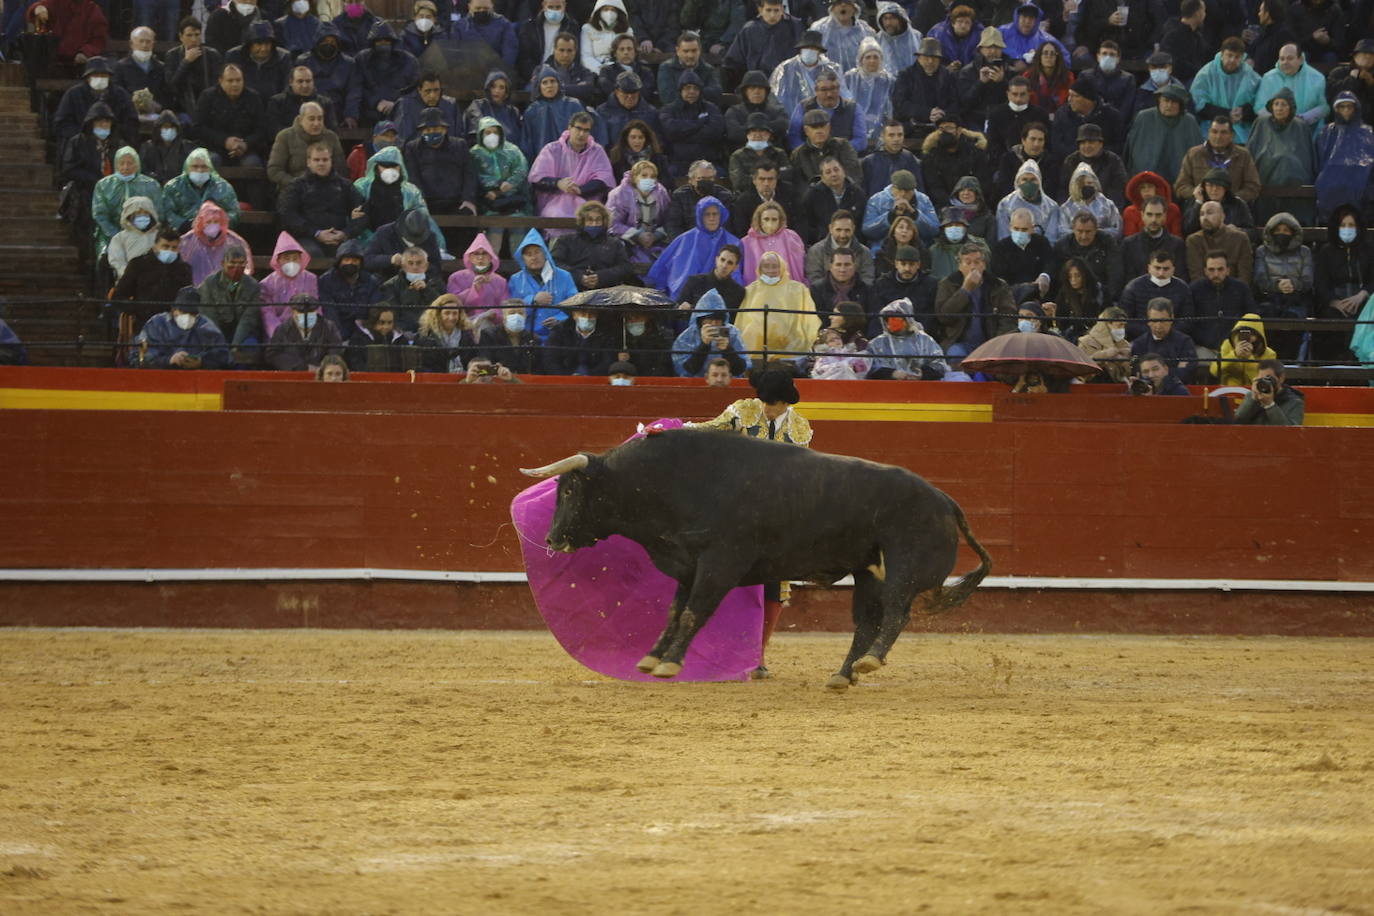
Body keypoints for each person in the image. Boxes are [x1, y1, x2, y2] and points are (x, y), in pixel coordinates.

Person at [688, 363, 811, 677]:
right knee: (719, 579)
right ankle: (712, 652)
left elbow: (801, 476)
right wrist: (675, 428)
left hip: (775, 519)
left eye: (774, 404)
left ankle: (757, 656)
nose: (768, 409)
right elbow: (707, 430)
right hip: (734, 515)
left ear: (786, 402)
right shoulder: (743, 411)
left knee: (773, 586)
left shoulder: (800, 429)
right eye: (765, 402)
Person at [278, 142, 365, 258]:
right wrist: (316, 233)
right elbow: (288, 214)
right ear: (308, 162)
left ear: (331, 161)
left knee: (352, 254)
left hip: (340, 238)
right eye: (316, 160)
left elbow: (362, 212)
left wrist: (346, 233)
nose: (321, 163)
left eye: (325, 160)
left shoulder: (346, 186)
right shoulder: (296, 186)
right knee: (313, 253)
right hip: (307, 238)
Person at [528, 112, 613, 230]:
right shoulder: (552, 149)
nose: (582, 134)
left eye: (586, 130)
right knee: (557, 216)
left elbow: (604, 179)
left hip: (586, 201)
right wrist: (558, 183)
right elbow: (536, 179)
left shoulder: (597, 151)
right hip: (554, 201)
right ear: (569, 127)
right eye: (578, 128)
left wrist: (581, 190)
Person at [647, 196, 742, 300]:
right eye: (707, 214)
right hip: (685, 297)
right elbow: (662, 266)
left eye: (715, 214)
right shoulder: (684, 239)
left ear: (721, 216)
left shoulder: (733, 242)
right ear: (700, 216)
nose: (712, 218)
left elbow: (736, 277)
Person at [1313, 205, 1374, 363]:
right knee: (1330, 321)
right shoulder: (1326, 251)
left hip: (1364, 302)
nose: (1347, 229)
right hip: (1335, 303)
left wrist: (1362, 295)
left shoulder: (1369, 250)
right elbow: (1320, 282)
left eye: (1351, 225)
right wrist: (1334, 302)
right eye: (1343, 225)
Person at [735, 251, 821, 362]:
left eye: (775, 266)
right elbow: (742, 321)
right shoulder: (751, 290)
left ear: (782, 268)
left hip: (790, 348)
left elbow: (808, 320)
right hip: (756, 350)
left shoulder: (799, 289)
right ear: (760, 269)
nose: (770, 271)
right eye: (766, 267)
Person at [1247, 88, 1316, 224]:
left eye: (1284, 104)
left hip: (1296, 189)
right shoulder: (1261, 123)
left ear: (1291, 107)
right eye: (1276, 104)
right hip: (1265, 186)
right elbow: (1251, 152)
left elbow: (1308, 160)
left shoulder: (1301, 126)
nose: (1279, 108)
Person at [935, 242, 1016, 357]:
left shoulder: (998, 285)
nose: (973, 267)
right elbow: (944, 317)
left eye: (977, 262)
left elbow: (1008, 318)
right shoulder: (948, 284)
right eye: (968, 263)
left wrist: (998, 343)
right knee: (955, 355)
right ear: (960, 266)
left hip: (990, 342)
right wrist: (965, 290)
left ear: (983, 265)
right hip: (959, 342)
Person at [1253, 212, 1314, 355]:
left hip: (1296, 299)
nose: (1282, 233)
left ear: (1293, 233)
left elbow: (1307, 280)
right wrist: (1277, 285)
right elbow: (1260, 279)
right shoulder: (1262, 251)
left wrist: (1293, 284)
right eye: (1278, 230)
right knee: (1267, 317)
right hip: (1269, 299)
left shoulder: (1304, 252)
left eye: (1286, 230)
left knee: (1293, 320)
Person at [131, 286, 231, 369]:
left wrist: (202, 362)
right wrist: (168, 360)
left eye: (192, 313)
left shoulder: (207, 327)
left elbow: (224, 357)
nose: (188, 316)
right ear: (174, 310)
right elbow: (138, 357)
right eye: (183, 312)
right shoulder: (156, 325)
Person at [113, 226, 194, 328]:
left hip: (175, 325)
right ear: (155, 247)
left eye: (174, 248)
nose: (170, 250)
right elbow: (118, 296)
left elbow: (188, 298)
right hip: (144, 322)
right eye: (165, 246)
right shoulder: (138, 265)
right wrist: (138, 309)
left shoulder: (184, 269)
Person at [91, 146, 163, 261]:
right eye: (122, 163)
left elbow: (158, 213)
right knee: (104, 257)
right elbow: (100, 215)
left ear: (137, 164)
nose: (125, 167)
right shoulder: (103, 185)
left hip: (145, 232)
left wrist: (142, 233)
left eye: (130, 163)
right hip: (110, 234)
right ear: (116, 164)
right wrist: (117, 235)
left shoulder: (151, 185)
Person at [507, 228, 579, 342]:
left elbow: (575, 304)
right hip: (526, 336)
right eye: (528, 254)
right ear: (522, 258)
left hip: (559, 336)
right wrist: (533, 300)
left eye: (537, 252)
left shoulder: (564, 276)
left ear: (545, 253)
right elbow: (510, 310)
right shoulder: (515, 279)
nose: (534, 257)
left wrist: (559, 319)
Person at [192, 64, 270, 168]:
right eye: (230, 80)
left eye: (238, 80)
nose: (235, 84)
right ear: (220, 81)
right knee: (212, 160)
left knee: (252, 163)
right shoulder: (207, 96)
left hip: (246, 149)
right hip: (214, 148)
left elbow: (262, 129)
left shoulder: (253, 97)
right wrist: (224, 141)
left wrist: (245, 144)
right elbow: (198, 128)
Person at [1315, 92, 1374, 223]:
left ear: (1356, 108)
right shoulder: (1327, 132)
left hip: (1362, 189)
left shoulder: (1368, 133)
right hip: (1331, 190)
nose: (1346, 110)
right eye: (1342, 107)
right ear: (1336, 109)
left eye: (1349, 107)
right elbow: (1319, 162)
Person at [197, 243, 263, 358]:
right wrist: (220, 343)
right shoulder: (209, 283)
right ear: (223, 263)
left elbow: (248, 319)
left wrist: (235, 345)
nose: (236, 267)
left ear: (246, 264)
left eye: (241, 263)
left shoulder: (253, 286)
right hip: (216, 330)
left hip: (243, 333)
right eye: (232, 263)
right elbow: (209, 316)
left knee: (250, 346)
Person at [54, 58, 138, 147]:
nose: (100, 79)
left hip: (113, 145)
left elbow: (131, 122)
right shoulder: (73, 94)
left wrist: (113, 136)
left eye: (103, 75)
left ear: (109, 77)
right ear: (87, 78)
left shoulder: (121, 95)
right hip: (81, 146)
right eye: (95, 75)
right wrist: (84, 137)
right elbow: (62, 124)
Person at [1190, 39, 1262, 144]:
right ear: (1222, 54)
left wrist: (1244, 112)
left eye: (1237, 57)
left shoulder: (1250, 76)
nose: (1232, 60)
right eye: (1229, 55)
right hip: (1211, 130)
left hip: (1242, 133)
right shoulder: (1206, 74)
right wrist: (1227, 114)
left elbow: (1260, 102)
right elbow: (1199, 104)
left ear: (1242, 57)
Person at [660, 70, 728, 180]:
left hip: (707, 162)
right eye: (687, 88)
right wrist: (700, 123)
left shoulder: (711, 108)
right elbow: (671, 131)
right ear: (680, 90)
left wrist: (683, 135)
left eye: (695, 88)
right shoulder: (668, 110)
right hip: (678, 163)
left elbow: (715, 132)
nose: (691, 91)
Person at [891, 36, 960, 144]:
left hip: (941, 129)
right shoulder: (906, 75)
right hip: (912, 129)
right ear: (918, 57)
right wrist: (927, 113)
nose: (930, 61)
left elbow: (955, 103)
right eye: (926, 57)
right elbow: (900, 104)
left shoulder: (948, 76)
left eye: (934, 57)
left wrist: (942, 114)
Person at [267, 101, 346, 193]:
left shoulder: (331, 137)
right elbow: (274, 170)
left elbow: (341, 170)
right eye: (311, 119)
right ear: (301, 120)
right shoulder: (285, 137)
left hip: (326, 191)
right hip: (293, 191)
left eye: (320, 119)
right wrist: (297, 185)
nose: (316, 123)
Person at [789, 65, 869, 153]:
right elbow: (794, 137)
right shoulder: (803, 107)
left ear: (839, 89)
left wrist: (837, 151)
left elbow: (861, 140)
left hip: (842, 157)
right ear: (816, 91)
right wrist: (813, 153)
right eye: (824, 90)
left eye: (833, 89)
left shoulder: (853, 108)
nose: (829, 94)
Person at [862, 297, 948, 380]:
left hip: (922, 387)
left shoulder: (925, 340)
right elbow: (870, 367)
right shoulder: (877, 343)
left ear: (907, 320)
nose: (892, 323)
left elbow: (939, 365)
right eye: (889, 319)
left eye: (896, 319)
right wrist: (892, 373)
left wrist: (924, 373)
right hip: (888, 388)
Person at [353, 21, 418, 128]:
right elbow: (356, 88)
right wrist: (375, 102)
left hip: (401, 115)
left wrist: (397, 104)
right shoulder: (362, 59)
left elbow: (414, 90)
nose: (383, 44)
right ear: (372, 43)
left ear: (393, 42)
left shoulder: (408, 61)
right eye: (379, 41)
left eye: (387, 41)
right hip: (368, 115)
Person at [1125, 84, 1195, 182]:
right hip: (1147, 179)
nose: (1169, 105)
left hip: (1180, 181)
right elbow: (1130, 150)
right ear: (1159, 101)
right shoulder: (1144, 117)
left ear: (1181, 105)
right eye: (1166, 101)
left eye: (1174, 102)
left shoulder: (1189, 121)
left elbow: (1196, 156)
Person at [1190, 251, 1257, 352]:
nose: (1216, 274)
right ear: (1205, 271)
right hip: (1202, 346)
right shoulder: (1194, 289)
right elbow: (1189, 321)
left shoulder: (1241, 288)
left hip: (1235, 346)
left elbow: (1251, 316)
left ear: (1228, 270)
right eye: (1211, 270)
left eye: (1220, 269)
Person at [606, 159, 669, 265]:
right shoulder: (618, 194)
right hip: (626, 243)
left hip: (656, 241)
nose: (649, 179)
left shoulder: (661, 192)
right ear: (634, 178)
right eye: (644, 175)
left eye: (653, 176)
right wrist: (638, 235)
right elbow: (612, 224)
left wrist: (656, 235)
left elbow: (669, 219)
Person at [724, 0, 804, 82]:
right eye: (768, 10)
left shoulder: (794, 27)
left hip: (788, 80)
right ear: (760, 10)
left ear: (782, 10)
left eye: (776, 10)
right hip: (757, 83)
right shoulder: (749, 30)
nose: (772, 15)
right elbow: (733, 62)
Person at [259, 231, 319, 340]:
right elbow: (267, 314)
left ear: (301, 259)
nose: (291, 262)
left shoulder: (310, 279)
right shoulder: (266, 284)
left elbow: (316, 308)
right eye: (287, 258)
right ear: (278, 260)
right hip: (279, 335)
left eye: (295, 258)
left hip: (307, 331)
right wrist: (280, 334)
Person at [179, 199, 253, 286]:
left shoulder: (235, 241)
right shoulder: (188, 240)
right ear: (201, 222)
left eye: (216, 222)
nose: (212, 225)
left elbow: (245, 269)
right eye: (208, 222)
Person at [770, 28, 842, 116]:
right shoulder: (785, 68)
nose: (809, 51)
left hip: (823, 119)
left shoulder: (831, 69)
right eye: (806, 48)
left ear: (819, 51)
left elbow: (841, 95)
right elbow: (778, 96)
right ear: (801, 49)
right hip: (791, 117)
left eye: (813, 48)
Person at [317, 239, 383, 335]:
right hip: (337, 333)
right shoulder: (326, 281)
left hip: (365, 331)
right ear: (339, 262)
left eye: (355, 260)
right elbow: (330, 313)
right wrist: (339, 336)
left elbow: (375, 309)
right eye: (346, 260)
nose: (350, 263)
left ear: (360, 263)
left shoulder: (371, 281)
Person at [799, 155, 870, 245]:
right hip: (822, 244)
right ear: (822, 177)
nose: (833, 174)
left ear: (843, 171)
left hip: (853, 244)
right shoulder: (812, 195)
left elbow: (863, 223)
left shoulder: (857, 193)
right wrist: (820, 236)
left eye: (836, 170)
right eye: (828, 172)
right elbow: (805, 224)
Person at [266, 293, 344, 371]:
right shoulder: (282, 329)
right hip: (293, 376)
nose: (306, 315)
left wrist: (323, 368)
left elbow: (336, 350)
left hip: (321, 375)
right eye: (301, 312)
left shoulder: (329, 327)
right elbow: (273, 354)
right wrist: (301, 367)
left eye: (311, 312)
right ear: (293, 311)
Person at [1186, 200, 1253, 290]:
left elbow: (1245, 275)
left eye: (1210, 213)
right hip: (1204, 294)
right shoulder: (1194, 240)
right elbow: (1196, 276)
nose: (1205, 218)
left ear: (1222, 217)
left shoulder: (1240, 238)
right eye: (1201, 214)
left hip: (1236, 292)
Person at [165, 17, 224, 117]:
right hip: (181, 108)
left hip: (209, 107)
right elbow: (172, 86)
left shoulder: (212, 55)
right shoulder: (172, 55)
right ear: (181, 36)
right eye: (189, 35)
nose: (193, 39)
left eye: (197, 35)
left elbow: (218, 85)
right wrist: (186, 62)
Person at [299, 22, 358, 122]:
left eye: (332, 41)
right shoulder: (303, 61)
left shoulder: (348, 64)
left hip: (338, 113)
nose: (329, 44)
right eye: (325, 41)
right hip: (309, 110)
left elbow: (353, 92)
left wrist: (350, 115)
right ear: (318, 42)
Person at [1130, 297, 1197, 383]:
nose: (1158, 326)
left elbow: (1187, 372)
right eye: (1154, 321)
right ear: (1148, 320)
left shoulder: (1184, 342)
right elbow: (1136, 371)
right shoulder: (1139, 344)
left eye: (1163, 320)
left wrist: (1152, 373)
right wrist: (1171, 371)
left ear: (1171, 318)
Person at [379, 246, 445, 332]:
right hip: (403, 332)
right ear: (403, 266)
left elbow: (443, 308)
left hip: (432, 331)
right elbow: (393, 315)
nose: (415, 267)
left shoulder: (437, 283)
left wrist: (427, 290)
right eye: (410, 263)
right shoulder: (390, 286)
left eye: (419, 263)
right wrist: (412, 291)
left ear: (426, 265)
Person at [226, 20, 293, 103]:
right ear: (249, 44)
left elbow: (287, 89)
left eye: (267, 44)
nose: (263, 49)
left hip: (274, 107)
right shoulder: (234, 56)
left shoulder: (283, 57)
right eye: (259, 44)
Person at [742, 200, 806, 286]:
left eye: (774, 219)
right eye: (766, 219)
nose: (770, 223)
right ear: (759, 220)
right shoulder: (746, 242)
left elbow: (798, 267)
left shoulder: (791, 237)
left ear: (780, 220)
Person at [804, 209, 875, 286]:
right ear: (830, 228)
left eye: (847, 230)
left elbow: (867, 280)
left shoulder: (865, 252)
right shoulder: (815, 251)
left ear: (853, 229)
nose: (842, 235)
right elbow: (814, 279)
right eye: (838, 230)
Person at [541, 305, 618, 375]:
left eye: (592, 314)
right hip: (563, 379)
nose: (587, 318)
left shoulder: (606, 333)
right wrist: (566, 378)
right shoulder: (559, 330)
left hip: (593, 380)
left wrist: (588, 377)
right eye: (583, 314)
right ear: (574, 315)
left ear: (597, 316)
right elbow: (550, 359)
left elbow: (607, 361)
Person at [592, 71, 660, 150]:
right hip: (611, 159)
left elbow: (657, 141)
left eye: (633, 92)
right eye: (625, 92)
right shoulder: (602, 112)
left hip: (643, 158)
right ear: (617, 92)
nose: (630, 96)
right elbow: (599, 142)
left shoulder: (651, 112)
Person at [725, 71, 790, 151]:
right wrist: (767, 130)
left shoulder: (777, 111)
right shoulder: (734, 112)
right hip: (742, 158)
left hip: (773, 157)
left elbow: (782, 126)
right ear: (745, 91)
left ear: (766, 92)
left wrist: (748, 129)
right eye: (752, 88)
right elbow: (734, 134)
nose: (756, 91)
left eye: (760, 88)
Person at [995, 159, 1059, 241]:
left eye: (1033, 179)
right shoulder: (1005, 204)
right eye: (1024, 179)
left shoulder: (1052, 207)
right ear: (1018, 181)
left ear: (1039, 181)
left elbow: (1051, 238)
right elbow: (1003, 235)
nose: (1029, 183)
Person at [472, 299, 541, 375]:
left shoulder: (534, 339)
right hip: (497, 381)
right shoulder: (488, 335)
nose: (516, 316)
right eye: (511, 313)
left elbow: (537, 369)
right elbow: (484, 367)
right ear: (503, 317)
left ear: (525, 316)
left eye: (521, 313)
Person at [516, 0, 579, 81]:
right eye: (550, 7)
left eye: (558, 7)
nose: (554, 10)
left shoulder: (572, 27)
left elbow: (575, 56)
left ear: (564, 6)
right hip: (535, 76)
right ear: (544, 5)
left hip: (564, 77)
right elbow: (524, 58)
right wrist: (534, 74)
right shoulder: (530, 27)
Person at [532, 29, 599, 105]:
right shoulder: (540, 70)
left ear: (575, 51)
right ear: (554, 50)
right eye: (561, 50)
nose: (565, 55)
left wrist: (553, 89)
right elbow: (536, 92)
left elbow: (586, 91)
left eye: (569, 50)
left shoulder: (585, 72)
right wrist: (575, 88)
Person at [677, 245, 747, 317]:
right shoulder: (694, 281)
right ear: (716, 260)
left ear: (735, 267)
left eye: (730, 263)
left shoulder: (738, 292)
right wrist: (683, 309)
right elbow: (677, 311)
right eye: (722, 260)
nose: (724, 265)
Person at [860, 119, 923, 199]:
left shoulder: (910, 159)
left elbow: (920, 191)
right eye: (891, 135)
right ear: (883, 137)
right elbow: (864, 192)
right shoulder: (869, 162)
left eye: (900, 135)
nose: (896, 139)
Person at [463, 71, 524, 153]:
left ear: (506, 91)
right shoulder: (478, 106)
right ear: (488, 88)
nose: (497, 91)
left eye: (501, 87)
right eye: (493, 86)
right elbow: (476, 133)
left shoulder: (513, 112)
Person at [1058, 163, 1120, 241]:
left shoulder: (1108, 205)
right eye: (1081, 184)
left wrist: (1095, 233)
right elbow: (1062, 232)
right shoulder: (1066, 207)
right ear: (1074, 185)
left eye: (1089, 183)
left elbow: (1117, 229)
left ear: (1095, 184)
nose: (1086, 186)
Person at [1234, 358, 1304, 425]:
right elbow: (1236, 422)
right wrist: (1253, 400)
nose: (1265, 382)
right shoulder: (1251, 396)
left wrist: (1270, 405)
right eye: (1261, 379)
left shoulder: (1294, 401)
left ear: (1281, 378)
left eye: (1268, 378)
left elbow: (1290, 432)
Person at [597, 31, 659, 105]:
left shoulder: (646, 71)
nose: (626, 52)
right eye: (621, 49)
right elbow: (610, 94)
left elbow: (646, 94)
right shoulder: (606, 71)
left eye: (629, 49)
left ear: (635, 52)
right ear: (615, 53)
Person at [107, 195, 160, 281]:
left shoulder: (159, 236)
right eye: (138, 213)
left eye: (146, 213)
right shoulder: (120, 238)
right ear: (129, 215)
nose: (142, 216)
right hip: (129, 281)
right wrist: (129, 275)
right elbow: (117, 261)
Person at [346, 303, 413, 371]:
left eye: (390, 322)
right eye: (381, 322)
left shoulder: (401, 339)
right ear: (373, 321)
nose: (386, 327)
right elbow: (356, 366)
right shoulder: (358, 339)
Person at [114, 26, 168, 109]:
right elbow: (116, 93)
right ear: (131, 44)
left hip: (156, 113)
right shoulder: (120, 67)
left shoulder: (161, 67)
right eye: (141, 41)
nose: (144, 45)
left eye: (148, 42)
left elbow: (166, 93)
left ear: (153, 44)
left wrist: (159, 105)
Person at [140, 111, 198, 185]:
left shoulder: (186, 147)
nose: (169, 129)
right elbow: (143, 170)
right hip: (154, 186)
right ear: (159, 129)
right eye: (165, 127)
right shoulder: (148, 147)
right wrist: (159, 180)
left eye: (172, 127)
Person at [1077, 305, 1132, 383]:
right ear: (1107, 325)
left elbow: (1128, 373)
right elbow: (1081, 368)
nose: (1122, 329)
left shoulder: (1124, 344)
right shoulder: (1086, 342)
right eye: (1119, 325)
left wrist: (1124, 362)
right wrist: (1104, 355)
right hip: (1092, 386)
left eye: (1124, 325)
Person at [1122, 171, 1183, 239]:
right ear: (1137, 191)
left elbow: (1177, 237)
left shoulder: (1172, 209)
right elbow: (1130, 240)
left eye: (1150, 186)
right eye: (1142, 187)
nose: (1146, 190)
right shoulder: (1130, 212)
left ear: (1157, 189)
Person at [615, 310, 675, 377]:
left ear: (648, 317)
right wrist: (620, 363)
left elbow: (665, 365)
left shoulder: (663, 337)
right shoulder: (622, 339)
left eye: (637, 317)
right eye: (629, 319)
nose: (633, 321)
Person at [580, 0, 630, 72]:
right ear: (599, 11)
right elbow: (586, 57)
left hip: (622, 71)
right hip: (596, 72)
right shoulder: (587, 29)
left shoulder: (627, 30)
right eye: (606, 9)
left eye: (613, 10)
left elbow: (630, 55)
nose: (609, 13)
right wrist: (601, 70)